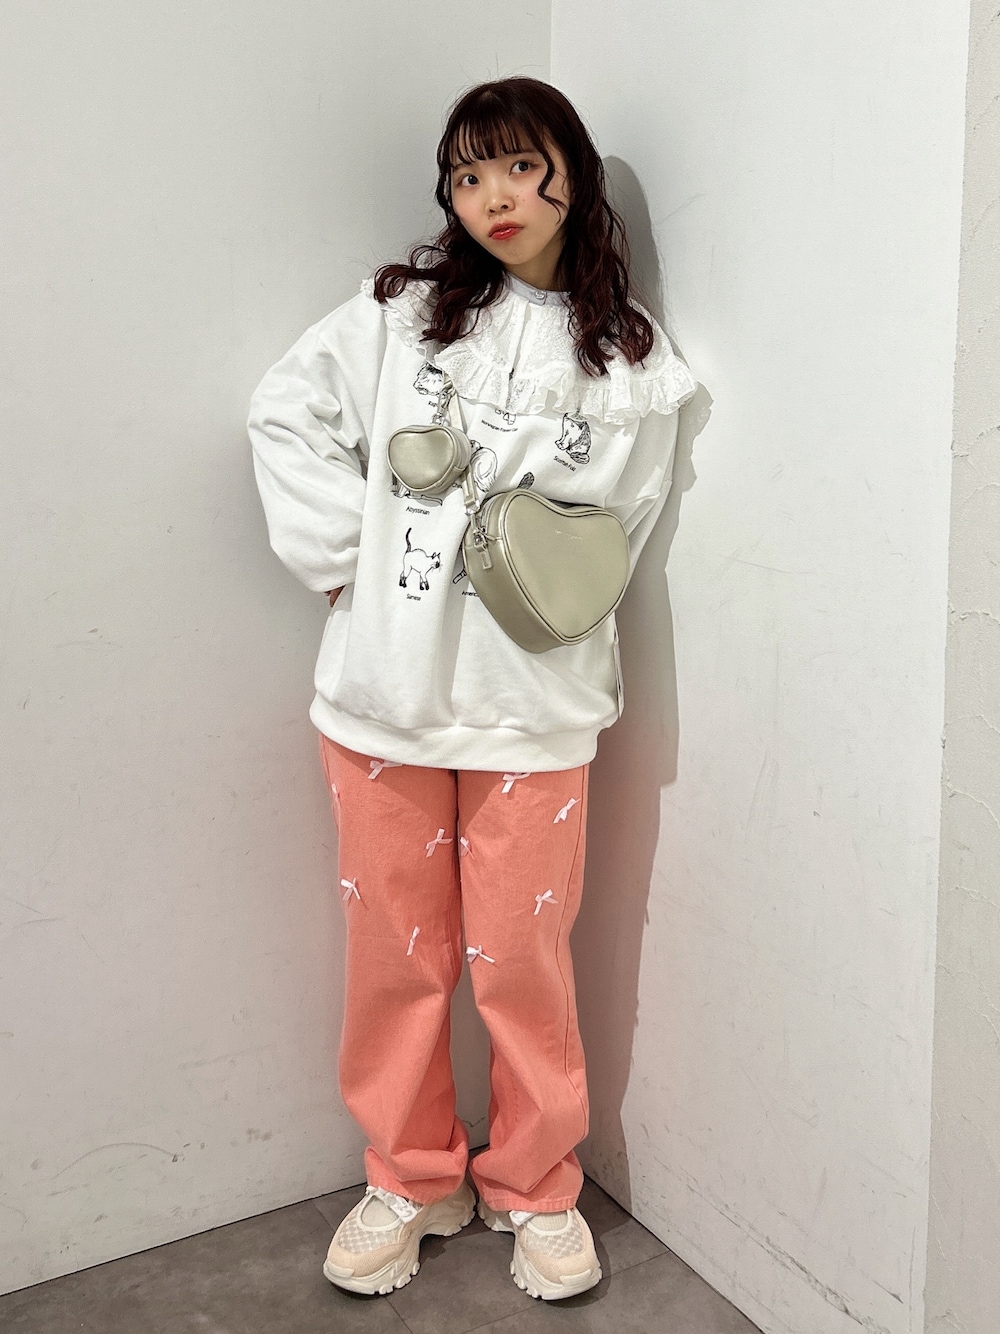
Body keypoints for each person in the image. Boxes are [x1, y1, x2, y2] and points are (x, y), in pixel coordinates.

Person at [247, 76, 696, 1303]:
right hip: (381, 699)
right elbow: (284, 411)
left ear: (571, 174)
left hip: (533, 708)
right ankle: (410, 1175)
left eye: (517, 165)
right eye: (465, 173)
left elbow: (616, 534)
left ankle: (536, 1184)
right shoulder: (400, 316)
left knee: (522, 961)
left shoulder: (629, 361)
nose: (492, 194)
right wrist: (343, 567)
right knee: (396, 956)